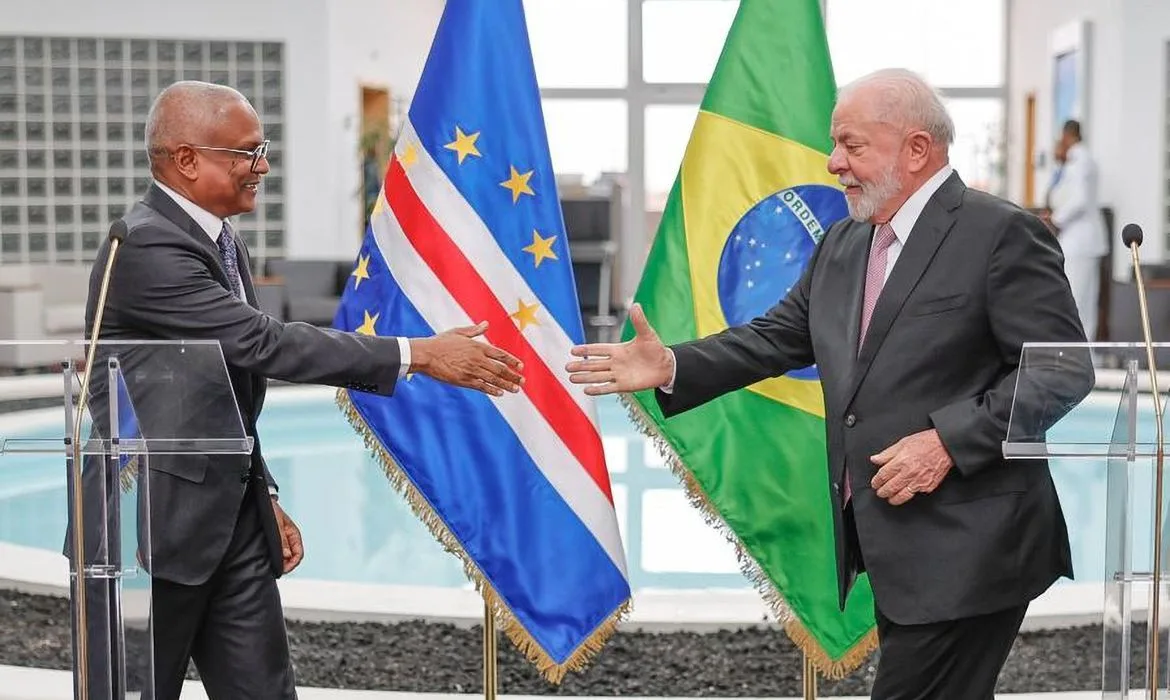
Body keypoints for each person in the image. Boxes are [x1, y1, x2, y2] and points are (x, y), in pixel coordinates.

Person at [566, 68, 1092, 698]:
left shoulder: (1001, 233)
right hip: (898, 545)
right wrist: (674, 365)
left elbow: (1061, 371)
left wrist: (947, 442)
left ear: (916, 149)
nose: (832, 161)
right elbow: (777, 337)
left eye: (851, 145)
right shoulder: (844, 241)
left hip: (973, 547)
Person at [79, 80, 524, 700]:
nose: (262, 167)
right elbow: (262, 344)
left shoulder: (219, 237)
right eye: (246, 153)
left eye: (262, 150)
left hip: (226, 522)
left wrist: (263, 495)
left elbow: (217, 397)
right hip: (152, 534)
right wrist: (417, 354)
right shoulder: (148, 243)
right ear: (186, 160)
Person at [1043, 119, 1108, 341]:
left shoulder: (1081, 160)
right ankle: (1081, 356)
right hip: (1075, 242)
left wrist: (1056, 220)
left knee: (1080, 302)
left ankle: (1083, 358)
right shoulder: (1071, 162)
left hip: (1082, 242)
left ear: (1069, 135)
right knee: (1077, 301)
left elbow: (1079, 200)